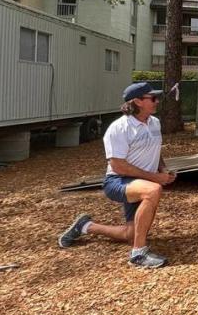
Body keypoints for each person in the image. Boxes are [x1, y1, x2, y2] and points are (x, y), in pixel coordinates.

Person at [57, 81, 174, 268]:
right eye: (153, 98)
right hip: (118, 181)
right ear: (137, 101)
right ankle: (138, 254)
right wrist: (155, 178)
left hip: (142, 181)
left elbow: (155, 150)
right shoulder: (119, 128)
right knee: (153, 190)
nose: (157, 101)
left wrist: (162, 169)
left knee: (131, 233)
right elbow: (118, 166)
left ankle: (85, 226)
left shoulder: (155, 123)